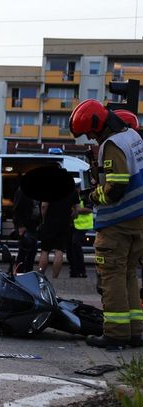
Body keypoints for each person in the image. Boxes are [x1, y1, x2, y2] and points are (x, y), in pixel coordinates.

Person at [69, 99, 143, 349]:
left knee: (111, 276)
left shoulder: (112, 145)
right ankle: (135, 332)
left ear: (97, 125)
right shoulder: (133, 136)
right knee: (129, 276)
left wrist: (92, 196)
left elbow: (116, 187)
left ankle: (115, 334)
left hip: (117, 222)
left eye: (89, 132)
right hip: (137, 221)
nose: (89, 137)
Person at [37, 187, 79, 278]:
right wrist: (69, 219)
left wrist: (44, 220)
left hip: (49, 223)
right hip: (64, 224)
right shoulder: (73, 190)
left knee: (45, 251)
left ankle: (40, 276)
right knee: (59, 250)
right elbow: (76, 210)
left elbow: (44, 206)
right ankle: (55, 277)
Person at [66, 179, 93, 278]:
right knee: (69, 247)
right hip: (71, 225)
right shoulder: (69, 195)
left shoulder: (84, 195)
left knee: (75, 244)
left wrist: (76, 209)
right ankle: (73, 270)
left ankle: (81, 271)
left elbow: (89, 209)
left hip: (82, 226)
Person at [12, 185, 40, 273]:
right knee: (23, 252)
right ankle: (19, 273)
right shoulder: (22, 191)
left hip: (33, 225)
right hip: (25, 225)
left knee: (32, 251)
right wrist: (20, 226)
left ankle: (28, 272)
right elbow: (17, 210)